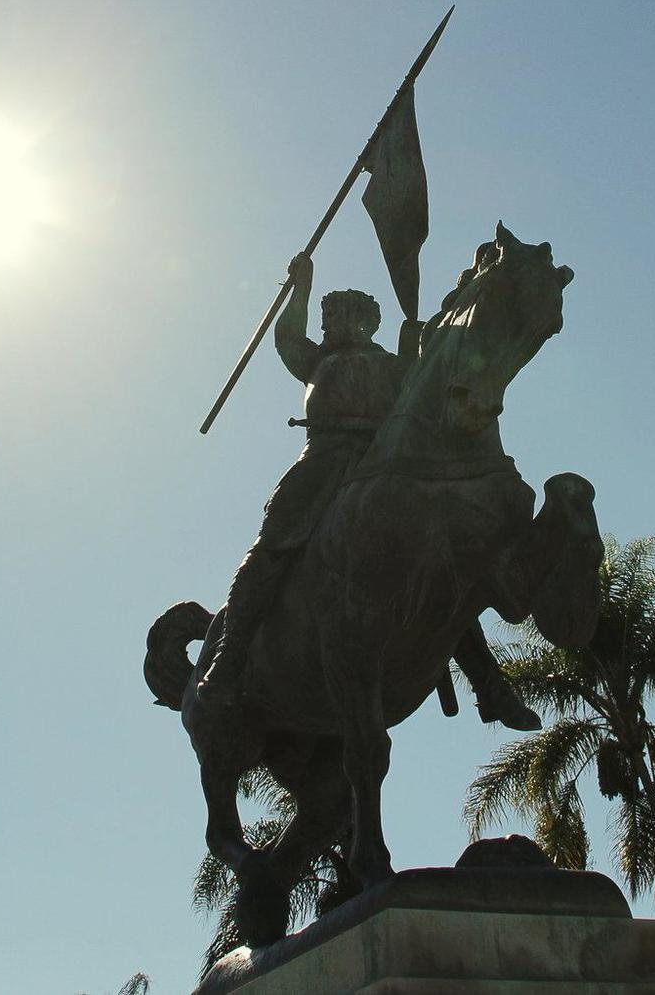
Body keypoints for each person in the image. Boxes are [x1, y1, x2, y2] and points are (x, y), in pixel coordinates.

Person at [196, 253, 541, 730]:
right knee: (271, 547)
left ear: (368, 323)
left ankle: (489, 684)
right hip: (322, 464)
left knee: (441, 568)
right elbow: (287, 339)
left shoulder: (397, 366)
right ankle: (229, 661)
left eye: (344, 316)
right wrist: (301, 287)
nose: (334, 323)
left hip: (385, 466)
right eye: (329, 316)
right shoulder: (319, 359)